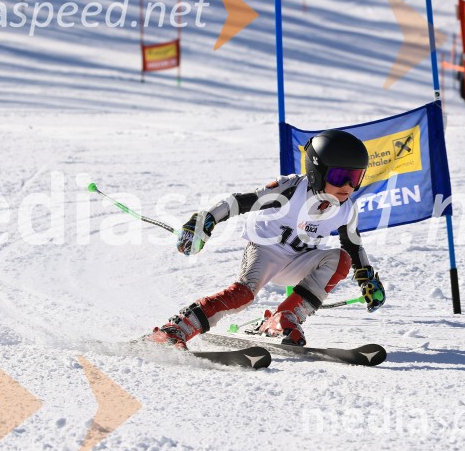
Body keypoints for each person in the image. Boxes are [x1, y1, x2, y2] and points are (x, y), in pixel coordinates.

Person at [148, 130, 386, 349]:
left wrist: (367, 279)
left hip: (298, 261)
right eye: (339, 176)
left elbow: (353, 246)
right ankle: (175, 329)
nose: (348, 186)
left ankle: (284, 318)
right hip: (265, 251)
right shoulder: (291, 190)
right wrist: (206, 221)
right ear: (317, 172)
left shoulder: (347, 209)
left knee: (340, 259)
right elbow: (240, 202)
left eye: (355, 177)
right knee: (242, 297)